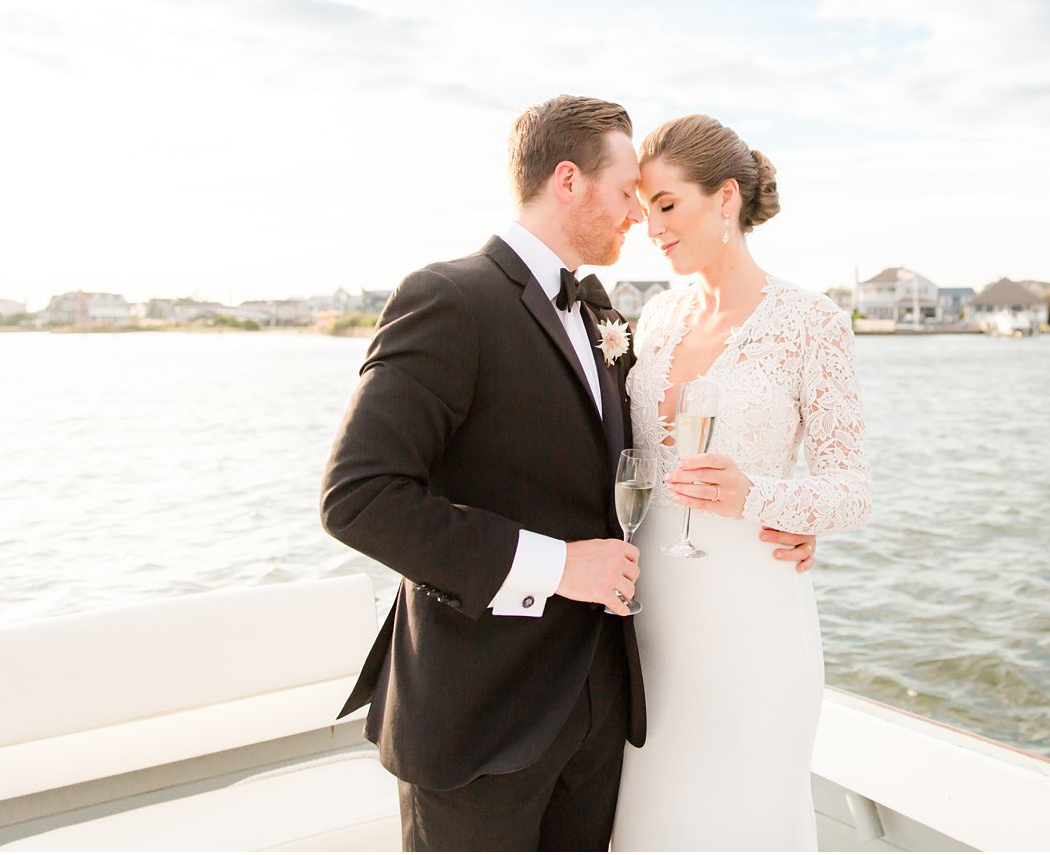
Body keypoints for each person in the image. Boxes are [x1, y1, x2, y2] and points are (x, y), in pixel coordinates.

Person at [320, 95, 816, 851]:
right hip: (479, 715)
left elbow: (636, 465)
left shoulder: (602, 313)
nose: (638, 221)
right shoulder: (449, 297)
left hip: (598, 720)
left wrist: (780, 514)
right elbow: (358, 497)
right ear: (567, 182)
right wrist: (557, 567)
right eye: (627, 195)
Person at [611, 113, 872, 851]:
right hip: (646, 623)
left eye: (668, 206)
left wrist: (757, 496)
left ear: (725, 199)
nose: (652, 228)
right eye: (645, 210)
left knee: (744, 816)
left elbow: (850, 487)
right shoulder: (656, 318)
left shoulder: (810, 322)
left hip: (749, 619)